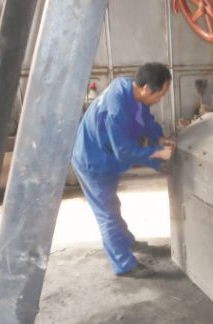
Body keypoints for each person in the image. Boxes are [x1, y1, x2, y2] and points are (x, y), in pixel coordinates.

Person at [71, 63, 175, 278]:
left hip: (105, 156)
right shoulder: (117, 107)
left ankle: (126, 241)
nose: (160, 100)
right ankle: (125, 265)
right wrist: (157, 153)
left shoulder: (130, 89)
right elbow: (124, 152)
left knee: (111, 204)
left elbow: (144, 120)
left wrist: (158, 137)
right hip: (93, 161)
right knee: (107, 213)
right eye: (160, 94)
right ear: (147, 89)